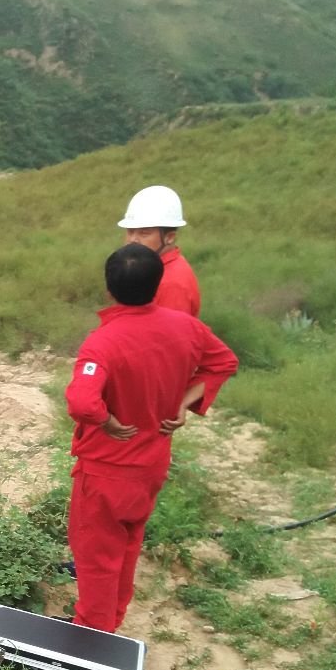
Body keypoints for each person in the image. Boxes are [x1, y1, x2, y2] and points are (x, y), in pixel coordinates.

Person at [65, 243, 238, 632]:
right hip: (151, 465)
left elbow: (81, 401)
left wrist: (106, 420)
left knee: (96, 557)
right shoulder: (187, 327)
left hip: (107, 470)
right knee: (127, 547)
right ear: (157, 284)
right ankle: (111, 622)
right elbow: (224, 362)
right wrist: (184, 402)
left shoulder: (103, 342)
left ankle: (93, 636)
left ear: (108, 288)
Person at [118, 185, 199, 317]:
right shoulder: (149, 269)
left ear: (170, 237)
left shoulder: (171, 285)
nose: (133, 240)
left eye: (144, 233)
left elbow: (169, 329)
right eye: (130, 232)